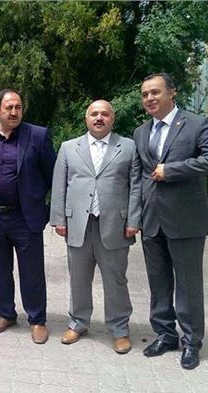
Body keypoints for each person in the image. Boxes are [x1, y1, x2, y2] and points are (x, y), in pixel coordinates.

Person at [134, 73, 208, 369]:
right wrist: (136, 215)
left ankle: (192, 342)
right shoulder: (140, 132)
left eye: (155, 92)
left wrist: (171, 170)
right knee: (158, 283)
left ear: (172, 93)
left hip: (185, 220)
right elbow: (140, 177)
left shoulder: (196, 124)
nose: (149, 98)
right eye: (145, 94)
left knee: (188, 285)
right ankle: (165, 334)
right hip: (152, 220)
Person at [50, 100, 141, 354]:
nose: (99, 118)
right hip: (78, 225)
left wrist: (134, 220)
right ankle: (78, 323)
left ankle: (119, 329)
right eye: (94, 114)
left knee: (116, 280)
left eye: (105, 114)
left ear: (113, 118)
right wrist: (59, 219)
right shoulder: (69, 148)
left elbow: (136, 186)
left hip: (115, 225)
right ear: (86, 118)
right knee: (78, 279)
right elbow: (59, 186)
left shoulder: (128, 147)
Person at [0, 89, 56, 344]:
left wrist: (40, 203)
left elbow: (52, 175)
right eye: (8, 107)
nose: (14, 112)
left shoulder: (38, 136)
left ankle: (37, 319)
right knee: (0, 270)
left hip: (25, 217)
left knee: (32, 271)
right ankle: (6, 314)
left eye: (18, 107)